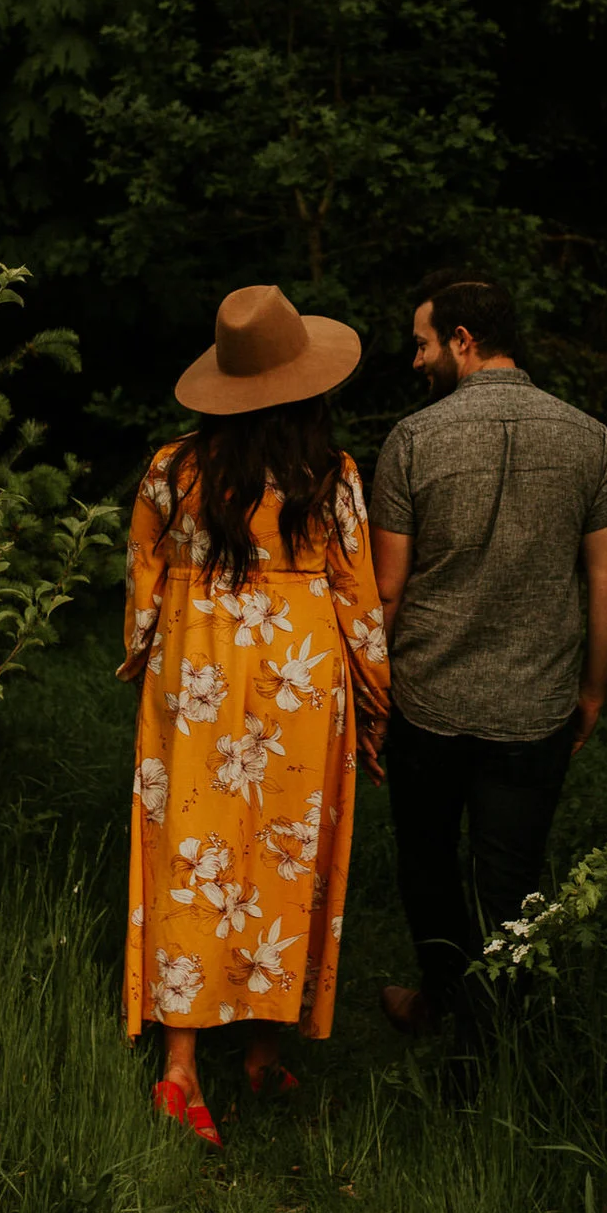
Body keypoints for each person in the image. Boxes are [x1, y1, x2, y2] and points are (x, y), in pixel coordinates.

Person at [119, 285, 391, 1149]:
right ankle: (265, 1048)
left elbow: (141, 587)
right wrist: (378, 702)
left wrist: (148, 670)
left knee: (191, 856)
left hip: (194, 673)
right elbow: (360, 598)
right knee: (285, 849)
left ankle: (181, 1068)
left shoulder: (171, 468)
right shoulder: (333, 475)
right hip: (302, 684)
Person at [367, 273, 607, 1064]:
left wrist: (372, 697)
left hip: (428, 701)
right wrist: (591, 691)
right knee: (509, 879)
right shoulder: (588, 438)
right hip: (535, 705)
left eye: (422, 342)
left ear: (461, 339)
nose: (415, 360)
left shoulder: (411, 442)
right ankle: (489, 1046)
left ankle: (443, 1003)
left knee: (427, 860)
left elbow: (386, 592)